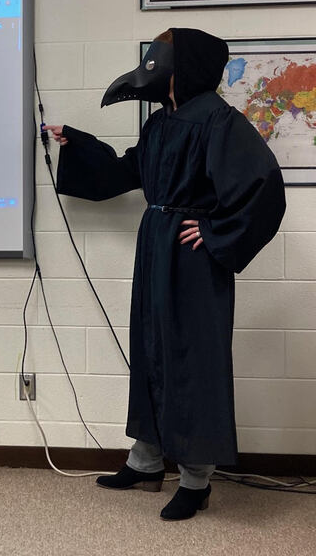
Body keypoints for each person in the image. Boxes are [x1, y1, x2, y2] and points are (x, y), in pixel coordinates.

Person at [43, 27, 286, 521]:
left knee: (193, 357)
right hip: (155, 244)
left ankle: (196, 480)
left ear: (185, 67)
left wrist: (215, 232)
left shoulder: (219, 121)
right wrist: (79, 143)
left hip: (193, 258)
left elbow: (263, 186)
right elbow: (128, 171)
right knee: (152, 348)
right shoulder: (160, 123)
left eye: (163, 60)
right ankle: (147, 462)